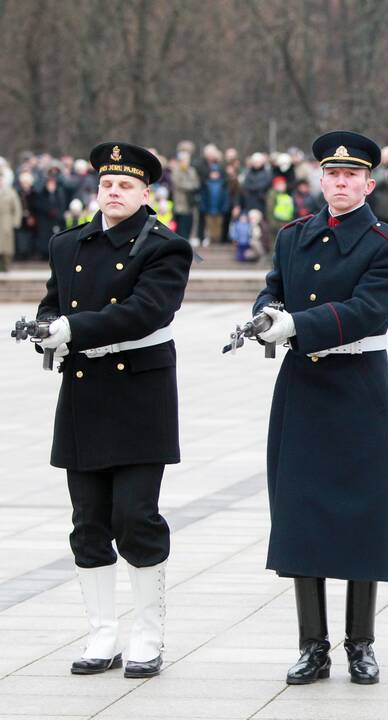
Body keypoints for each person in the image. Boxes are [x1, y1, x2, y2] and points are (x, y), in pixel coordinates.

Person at [251, 131, 388, 686]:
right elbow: (273, 289)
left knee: (361, 517)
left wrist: (299, 324)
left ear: (369, 183)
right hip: (303, 386)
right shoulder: (294, 236)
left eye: (352, 175)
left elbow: (370, 310)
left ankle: (361, 643)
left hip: (358, 387)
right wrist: (265, 315)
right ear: (320, 180)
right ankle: (312, 644)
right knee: (302, 516)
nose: (340, 183)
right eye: (331, 174)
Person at [32, 142, 193, 677]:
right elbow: (53, 302)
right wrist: (47, 331)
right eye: (106, 184)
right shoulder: (68, 242)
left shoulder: (165, 246)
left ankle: (147, 634)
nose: (114, 192)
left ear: (146, 193)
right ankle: (102, 633)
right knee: (88, 522)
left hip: (139, 397)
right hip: (83, 394)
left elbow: (147, 311)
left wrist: (72, 330)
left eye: (125, 185)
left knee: (136, 518)